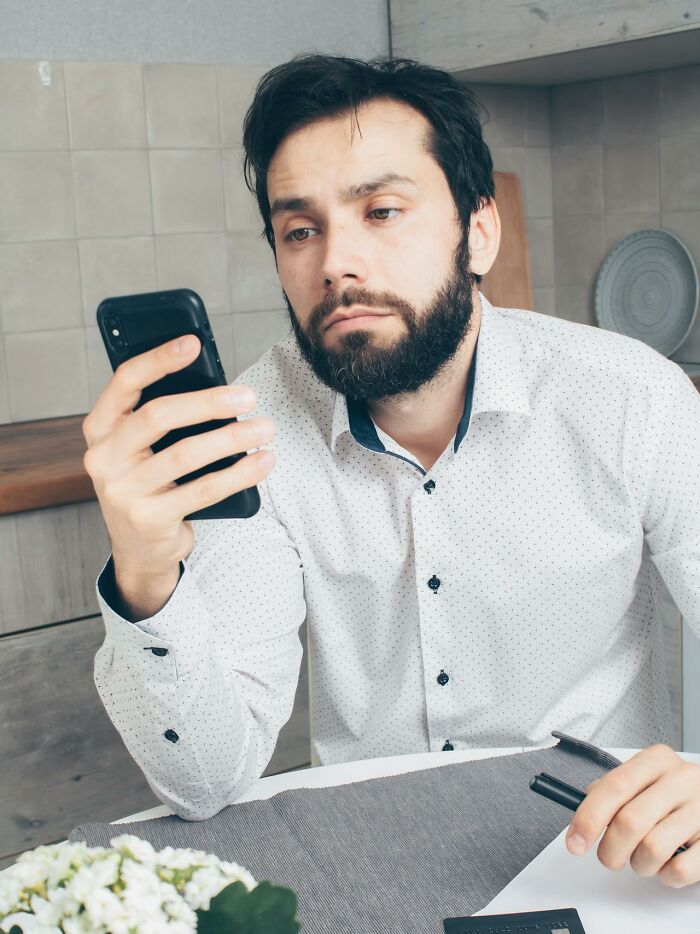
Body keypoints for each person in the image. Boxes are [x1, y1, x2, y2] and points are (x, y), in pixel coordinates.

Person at [82, 54, 700, 887]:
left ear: (478, 232)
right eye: (301, 230)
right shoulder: (250, 425)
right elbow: (204, 782)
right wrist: (148, 578)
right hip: (362, 865)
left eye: (382, 210)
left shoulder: (634, 401)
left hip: (598, 854)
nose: (338, 263)